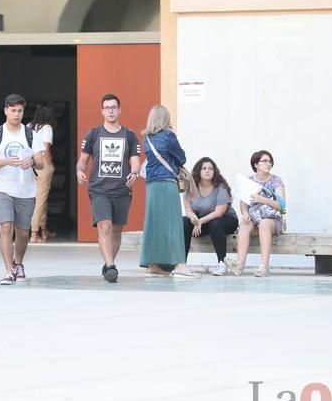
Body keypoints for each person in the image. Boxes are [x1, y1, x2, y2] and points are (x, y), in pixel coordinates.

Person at [76, 94, 141, 283]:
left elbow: (135, 162)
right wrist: (79, 171)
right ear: (102, 111)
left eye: (114, 107)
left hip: (122, 190)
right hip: (99, 190)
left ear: (119, 110)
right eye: (107, 107)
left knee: (116, 230)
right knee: (105, 226)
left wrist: (134, 174)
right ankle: (111, 266)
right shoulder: (93, 134)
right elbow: (82, 161)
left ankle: (108, 263)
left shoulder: (129, 136)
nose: (110, 111)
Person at [0, 94, 44, 285]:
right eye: (13, 110)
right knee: (6, 226)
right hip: (2, 188)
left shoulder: (31, 134)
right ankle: (8, 270)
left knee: (23, 232)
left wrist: (32, 160)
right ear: (6, 111)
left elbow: (41, 163)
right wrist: (6, 161)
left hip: (26, 190)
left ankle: (18, 263)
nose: (17, 114)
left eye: (20, 111)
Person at [139, 105, 200, 278]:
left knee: (154, 224)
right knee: (173, 224)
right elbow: (181, 157)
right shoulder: (168, 136)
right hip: (166, 183)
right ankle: (180, 264)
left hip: (151, 185)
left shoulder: (146, 138)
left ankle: (152, 264)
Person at [225, 150, 286, 277]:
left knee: (264, 224)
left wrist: (264, 200)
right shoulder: (249, 181)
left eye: (270, 161)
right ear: (256, 164)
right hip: (254, 219)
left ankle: (264, 266)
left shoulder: (276, 181)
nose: (268, 164)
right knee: (245, 224)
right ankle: (239, 265)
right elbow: (244, 203)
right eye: (264, 161)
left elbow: (281, 206)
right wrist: (245, 213)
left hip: (272, 220)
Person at [182, 157, 239, 276]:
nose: (207, 171)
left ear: (214, 171)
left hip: (226, 221)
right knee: (184, 222)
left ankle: (222, 263)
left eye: (210, 168)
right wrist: (193, 218)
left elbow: (219, 212)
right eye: (204, 168)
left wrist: (200, 221)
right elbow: (188, 209)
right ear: (198, 171)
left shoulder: (220, 187)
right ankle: (182, 264)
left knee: (216, 223)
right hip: (203, 222)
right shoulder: (191, 187)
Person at [28, 105, 55, 243]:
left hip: (29, 164)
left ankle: (43, 230)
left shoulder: (28, 126)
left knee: (40, 198)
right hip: (42, 163)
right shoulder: (47, 128)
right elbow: (46, 149)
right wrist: (50, 164)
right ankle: (34, 234)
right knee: (40, 200)